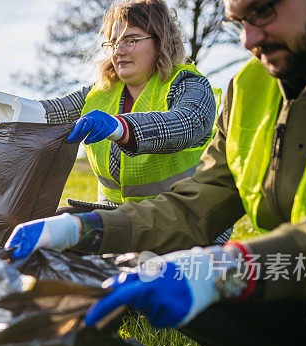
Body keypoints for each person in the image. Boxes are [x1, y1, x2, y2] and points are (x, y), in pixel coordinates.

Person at [6, 0, 306, 346]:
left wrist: (226, 265)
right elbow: (195, 204)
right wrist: (86, 227)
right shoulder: (251, 88)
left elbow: (186, 123)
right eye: (240, 22)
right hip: (294, 267)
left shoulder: (190, 87)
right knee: (176, 276)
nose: (249, 39)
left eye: (264, 12)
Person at [40, 0, 227, 243]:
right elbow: (47, 113)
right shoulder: (98, 93)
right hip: (115, 218)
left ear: (160, 41)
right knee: (39, 233)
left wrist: (120, 127)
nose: (118, 51)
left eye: (131, 40)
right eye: (113, 42)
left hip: (186, 221)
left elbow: (185, 124)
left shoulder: (190, 85)